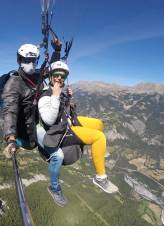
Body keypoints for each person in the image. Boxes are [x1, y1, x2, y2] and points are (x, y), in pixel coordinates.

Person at [36, 60, 118, 207]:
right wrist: (55, 96)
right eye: (57, 75)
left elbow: (64, 110)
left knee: (99, 124)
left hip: (67, 122)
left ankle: (97, 152)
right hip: (60, 133)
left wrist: (68, 99)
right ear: (50, 76)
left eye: (63, 75)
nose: (60, 78)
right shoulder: (45, 95)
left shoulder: (59, 91)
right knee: (99, 137)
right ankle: (100, 178)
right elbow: (48, 120)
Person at [2, 40, 61, 158]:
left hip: (39, 119)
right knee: (58, 156)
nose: (31, 64)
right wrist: (11, 139)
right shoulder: (13, 84)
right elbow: (10, 111)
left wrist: (57, 51)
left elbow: (50, 70)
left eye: (34, 60)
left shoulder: (35, 75)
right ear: (19, 61)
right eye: (27, 60)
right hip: (29, 130)